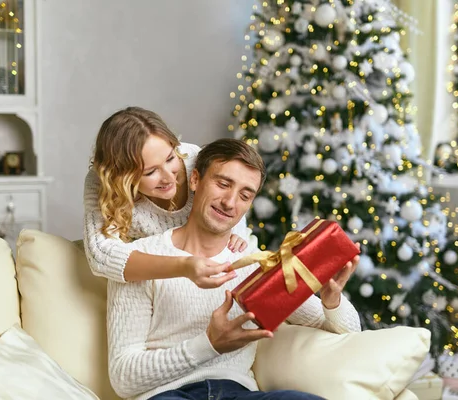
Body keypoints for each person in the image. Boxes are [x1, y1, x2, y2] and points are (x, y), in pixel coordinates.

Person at [107, 138, 362, 400]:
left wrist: (332, 302)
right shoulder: (141, 260)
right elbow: (123, 379)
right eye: (223, 184)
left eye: (245, 195)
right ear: (195, 180)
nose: (230, 202)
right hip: (168, 395)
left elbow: (350, 334)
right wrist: (209, 345)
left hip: (238, 393)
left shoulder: (257, 265)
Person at [83, 107, 249, 287]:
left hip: (214, 262)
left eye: (170, 159)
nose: (170, 177)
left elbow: (236, 191)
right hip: (159, 277)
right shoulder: (102, 184)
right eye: (151, 172)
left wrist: (236, 232)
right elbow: (101, 256)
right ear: (121, 177)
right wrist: (184, 266)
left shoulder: (193, 158)